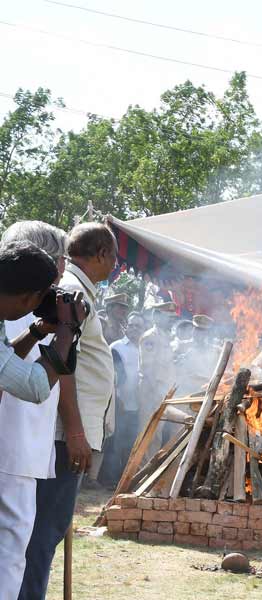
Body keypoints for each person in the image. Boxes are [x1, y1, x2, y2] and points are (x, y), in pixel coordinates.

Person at [20, 222, 117, 599]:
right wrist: (75, 430)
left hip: (67, 431)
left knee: (46, 530)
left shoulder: (79, 290)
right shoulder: (74, 291)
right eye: (113, 258)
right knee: (43, 531)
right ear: (101, 254)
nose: (114, 267)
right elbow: (65, 365)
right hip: (63, 434)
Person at [0, 225, 88, 599]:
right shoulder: (14, 307)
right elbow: (36, 385)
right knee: (10, 547)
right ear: (27, 294)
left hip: (16, 448)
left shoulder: (14, 313)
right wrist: (66, 331)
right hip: (15, 449)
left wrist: (39, 332)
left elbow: (8, 363)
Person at [100, 312, 146, 485]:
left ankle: (124, 480)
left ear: (143, 329)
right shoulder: (116, 347)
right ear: (127, 326)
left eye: (138, 326)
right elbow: (111, 375)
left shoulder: (146, 347)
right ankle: (109, 480)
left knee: (131, 443)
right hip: (119, 402)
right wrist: (116, 398)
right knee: (115, 442)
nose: (134, 329)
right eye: (132, 325)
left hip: (138, 403)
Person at [137, 301, 177, 455]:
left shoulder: (166, 337)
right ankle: (140, 474)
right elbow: (147, 370)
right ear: (157, 316)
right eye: (169, 317)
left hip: (163, 392)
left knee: (158, 434)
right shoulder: (150, 337)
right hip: (152, 391)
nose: (171, 320)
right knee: (149, 434)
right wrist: (158, 394)